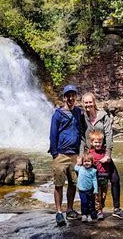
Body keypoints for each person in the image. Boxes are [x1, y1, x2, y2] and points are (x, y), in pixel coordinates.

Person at [80, 92, 123, 220]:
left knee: (115, 179)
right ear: (83, 104)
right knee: (91, 183)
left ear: (94, 102)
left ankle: (116, 209)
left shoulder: (103, 116)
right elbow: (81, 138)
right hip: (89, 155)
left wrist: (108, 154)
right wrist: (81, 156)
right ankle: (93, 210)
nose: (88, 105)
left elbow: (109, 135)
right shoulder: (82, 117)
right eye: (86, 103)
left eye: (90, 102)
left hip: (103, 153)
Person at [49, 84, 82, 226]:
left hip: (74, 155)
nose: (70, 98)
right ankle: (58, 212)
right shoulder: (57, 114)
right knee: (58, 184)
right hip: (61, 154)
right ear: (64, 97)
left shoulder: (78, 112)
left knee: (73, 183)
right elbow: (53, 134)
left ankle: (69, 209)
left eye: (73, 95)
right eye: (68, 95)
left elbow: (82, 131)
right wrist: (55, 153)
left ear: (75, 97)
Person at [88, 129, 109, 221]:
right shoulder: (90, 153)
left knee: (104, 195)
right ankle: (98, 211)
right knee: (97, 195)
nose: (98, 144)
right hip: (96, 178)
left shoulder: (105, 151)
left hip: (105, 176)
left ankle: (101, 207)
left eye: (99, 142)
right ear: (91, 142)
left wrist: (108, 159)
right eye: (96, 142)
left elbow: (109, 159)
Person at [74, 153, 98, 222]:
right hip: (81, 190)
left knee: (90, 202)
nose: (86, 163)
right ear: (82, 162)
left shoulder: (93, 171)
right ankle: (84, 214)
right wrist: (78, 162)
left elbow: (94, 180)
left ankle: (90, 215)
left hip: (90, 189)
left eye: (88, 161)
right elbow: (75, 168)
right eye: (84, 161)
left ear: (92, 162)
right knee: (84, 202)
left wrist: (95, 189)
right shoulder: (80, 168)